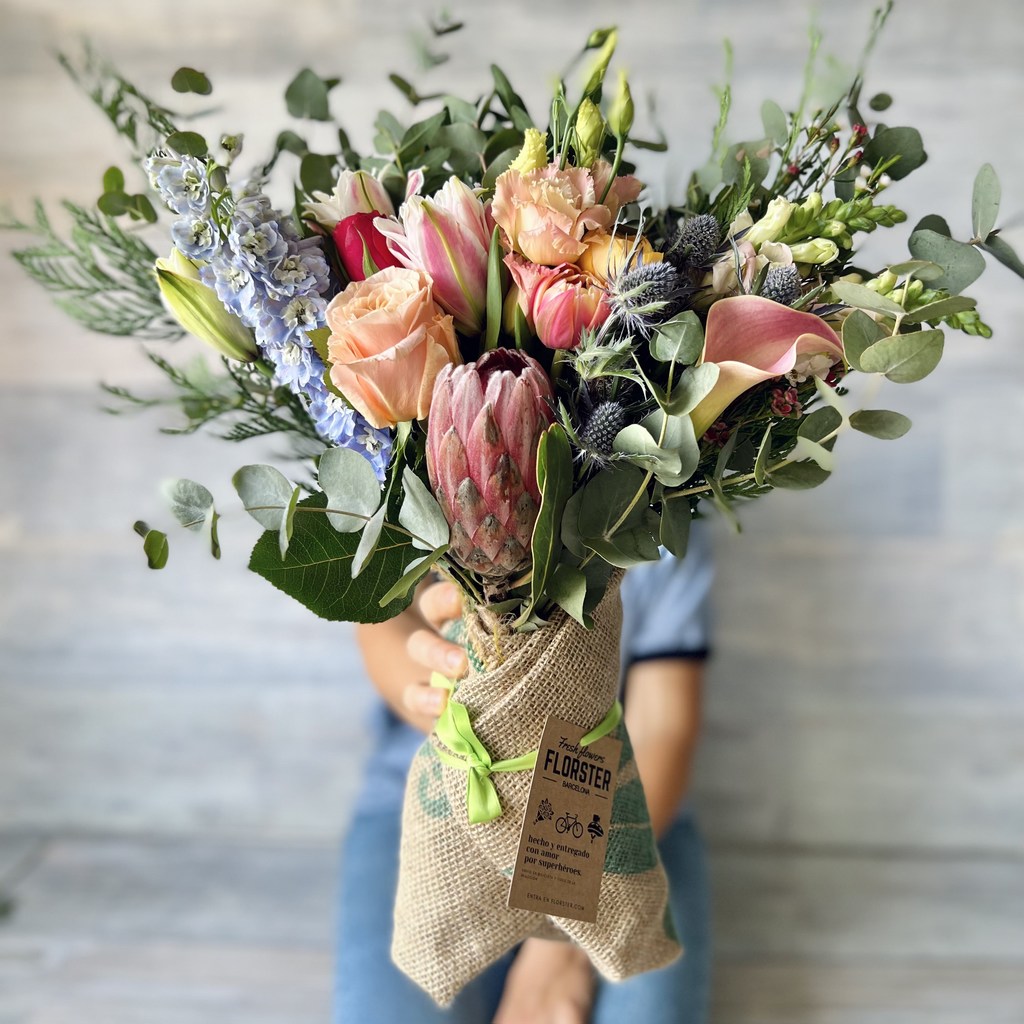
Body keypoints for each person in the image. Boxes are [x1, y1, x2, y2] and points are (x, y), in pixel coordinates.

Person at [335, 524, 714, 1024]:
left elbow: (662, 727)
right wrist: (437, 693)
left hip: (622, 807)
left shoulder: (659, 511)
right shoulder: (409, 478)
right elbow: (381, 627)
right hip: (425, 796)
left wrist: (561, 953)